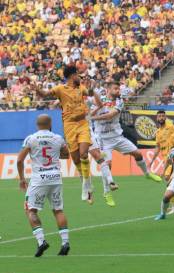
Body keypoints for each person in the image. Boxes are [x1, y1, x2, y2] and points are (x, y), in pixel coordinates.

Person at [33, 66, 93, 204]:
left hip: (82, 123)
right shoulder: (60, 89)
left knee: (84, 154)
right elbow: (44, 94)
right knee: (76, 159)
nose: (80, 77)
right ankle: (85, 180)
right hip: (69, 126)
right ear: (72, 76)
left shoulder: (81, 87)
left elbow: (89, 93)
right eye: (78, 74)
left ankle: (86, 183)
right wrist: (37, 88)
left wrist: (91, 87)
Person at [17, 114, 70, 257]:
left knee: (31, 210)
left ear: (37, 124)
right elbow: (66, 155)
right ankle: (65, 242)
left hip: (38, 179)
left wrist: (22, 179)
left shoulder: (31, 138)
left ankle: (41, 242)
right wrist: (54, 154)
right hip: (55, 177)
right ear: (50, 124)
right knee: (58, 210)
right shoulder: (58, 138)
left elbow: (19, 160)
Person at [90, 82, 161, 182]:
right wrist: (92, 113)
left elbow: (110, 115)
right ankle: (107, 192)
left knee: (138, 154)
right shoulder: (99, 100)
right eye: (115, 89)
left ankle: (147, 173)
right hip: (103, 139)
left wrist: (93, 117)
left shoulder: (120, 102)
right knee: (107, 165)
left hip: (117, 137)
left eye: (119, 89)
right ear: (108, 90)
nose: (118, 91)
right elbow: (90, 112)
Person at [86, 91, 118, 207]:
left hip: (92, 137)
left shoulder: (89, 106)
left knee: (104, 162)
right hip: (75, 137)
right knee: (82, 166)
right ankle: (88, 191)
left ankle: (108, 189)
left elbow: (99, 105)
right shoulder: (69, 109)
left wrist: (93, 92)